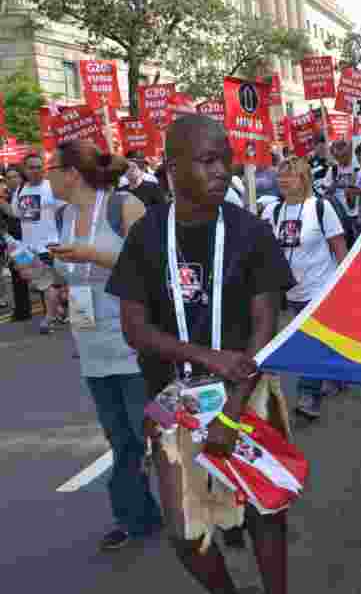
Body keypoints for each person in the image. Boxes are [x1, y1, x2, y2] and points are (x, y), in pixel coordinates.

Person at [106, 115, 296, 594]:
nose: (221, 171)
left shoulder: (250, 232)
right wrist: (207, 358)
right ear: (173, 167)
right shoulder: (147, 235)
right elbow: (135, 329)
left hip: (246, 391)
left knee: (264, 512)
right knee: (185, 532)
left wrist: (231, 413)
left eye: (225, 160)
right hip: (175, 400)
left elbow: (263, 327)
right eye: (208, 160)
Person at [46, 140, 162, 550]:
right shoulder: (62, 214)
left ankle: (200, 508)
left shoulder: (123, 206)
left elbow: (153, 263)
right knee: (121, 439)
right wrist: (56, 289)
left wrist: (93, 255)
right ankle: (136, 517)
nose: (47, 175)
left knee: (156, 436)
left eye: (52, 167)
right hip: (91, 345)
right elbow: (69, 273)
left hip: (134, 343)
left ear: (72, 172)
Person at [262, 157, 348, 420]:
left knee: (309, 341)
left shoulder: (321, 208)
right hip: (289, 291)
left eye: (291, 176)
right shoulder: (272, 211)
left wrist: (345, 284)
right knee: (322, 340)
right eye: (281, 176)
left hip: (320, 287)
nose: (285, 181)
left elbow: (338, 247)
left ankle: (307, 395)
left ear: (305, 180)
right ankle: (337, 373)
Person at [11, 152, 66, 333]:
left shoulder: (52, 187)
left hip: (49, 245)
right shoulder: (20, 190)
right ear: (25, 170)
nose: (36, 170)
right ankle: (58, 311)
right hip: (28, 248)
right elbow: (17, 214)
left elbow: (66, 210)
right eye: (32, 167)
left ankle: (49, 319)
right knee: (39, 284)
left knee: (48, 284)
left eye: (39, 166)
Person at [1, 166, 32, 320]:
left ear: (21, 177)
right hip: (15, 243)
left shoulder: (27, 193)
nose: (12, 180)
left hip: (31, 241)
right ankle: (22, 311)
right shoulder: (6, 197)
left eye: (15, 176)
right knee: (19, 276)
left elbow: (24, 216)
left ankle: (55, 311)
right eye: (9, 177)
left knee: (40, 276)